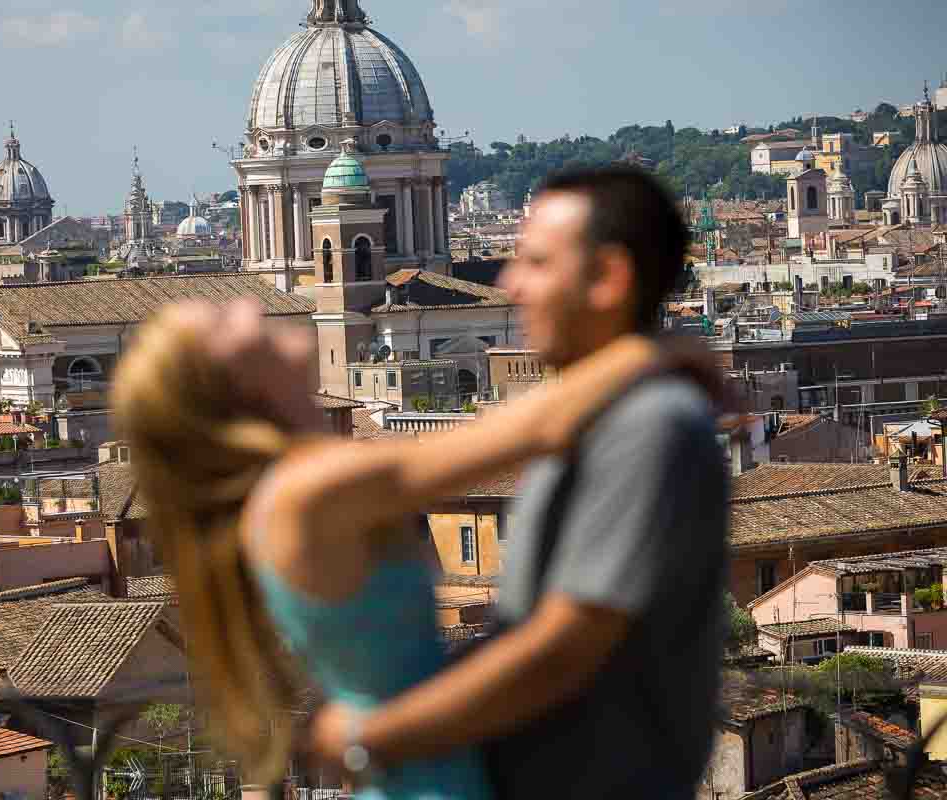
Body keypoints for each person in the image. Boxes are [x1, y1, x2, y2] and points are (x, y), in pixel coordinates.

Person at [112, 292, 708, 796]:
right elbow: (531, 428)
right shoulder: (308, 489)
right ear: (224, 387)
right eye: (222, 324)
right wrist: (651, 351)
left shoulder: (298, 487)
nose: (245, 305)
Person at [308, 166, 729, 799]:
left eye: (535, 262)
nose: (509, 282)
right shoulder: (594, 420)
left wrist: (376, 736)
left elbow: (562, 650)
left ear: (608, 278)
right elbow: (526, 631)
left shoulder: (651, 426)